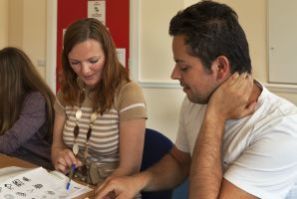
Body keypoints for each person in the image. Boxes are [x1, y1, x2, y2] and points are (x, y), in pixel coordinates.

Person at [95, 1, 297, 199]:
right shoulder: (195, 100)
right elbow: (179, 162)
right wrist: (137, 181)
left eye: (184, 67)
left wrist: (215, 117)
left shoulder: (282, 130)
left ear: (220, 67)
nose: (174, 75)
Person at [51, 18, 147, 196]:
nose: (85, 70)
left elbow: (130, 168)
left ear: (108, 55)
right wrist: (59, 155)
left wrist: (93, 194)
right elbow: (57, 145)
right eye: (75, 63)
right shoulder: (66, 92)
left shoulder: (128, 93)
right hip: (71, 186)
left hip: (112, 191)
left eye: (93, 61)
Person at [0, 47, 55, 169]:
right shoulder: (8, 100)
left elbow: (10, 142)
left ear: (8, 79)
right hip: (13, 161)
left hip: (37, 167)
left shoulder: (36, 100)